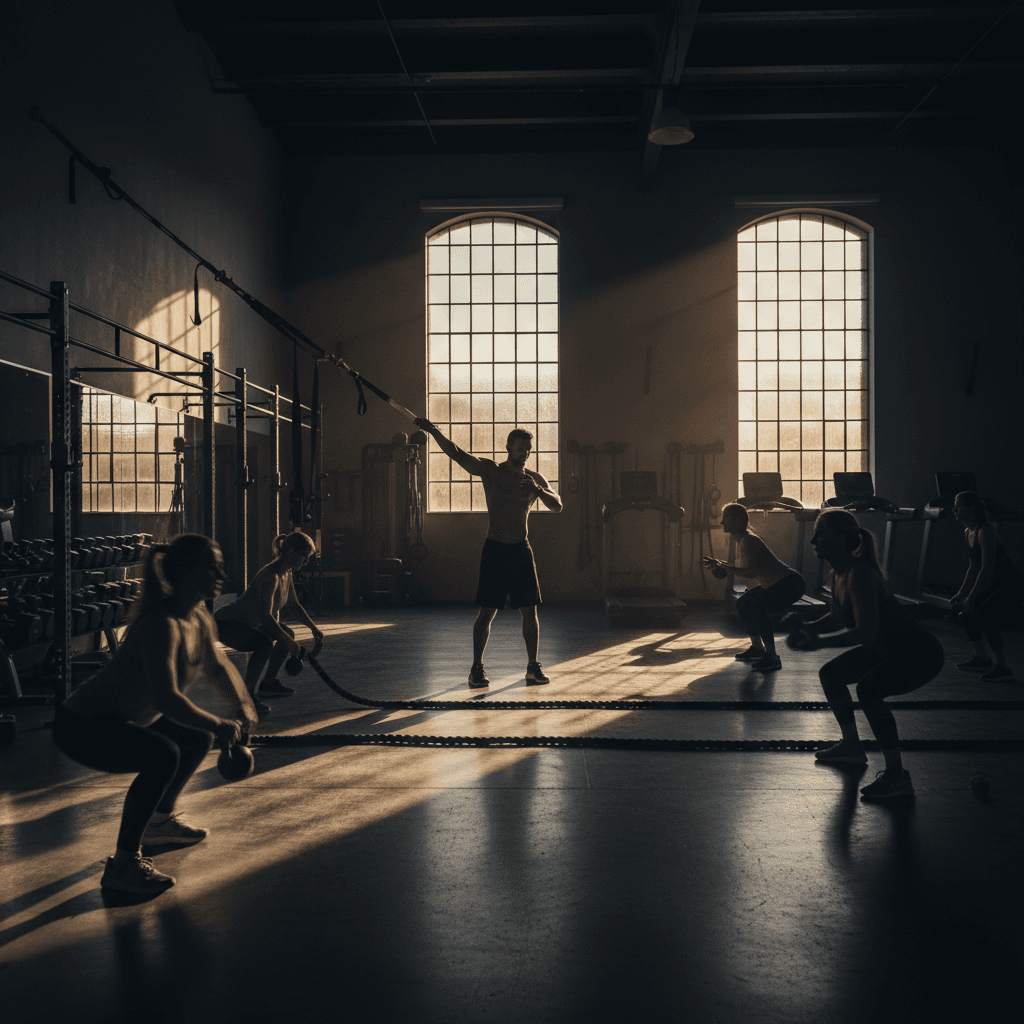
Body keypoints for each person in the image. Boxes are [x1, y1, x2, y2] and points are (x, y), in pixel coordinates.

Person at [52, 534, 258, 895]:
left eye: (220, 567)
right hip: (80, 727)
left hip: (121, 721)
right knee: (164, 754)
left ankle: (158, 824)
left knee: (196, 736)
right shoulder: (160, 623)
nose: (221, 574)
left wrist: (242, 707)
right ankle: (122, 864)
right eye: (212, 567)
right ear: (184, 571)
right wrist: (221, 723)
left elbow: (217, 666)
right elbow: (167, 699)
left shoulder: (198, 617)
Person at [789, 509, 944, 799]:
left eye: (820, 533)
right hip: (887, 649)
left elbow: (864, 633)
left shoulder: (861, 573)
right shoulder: (839, 572)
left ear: (838, 538)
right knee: (831, 675)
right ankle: (852, 747)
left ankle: (897, 776)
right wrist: (810, 628)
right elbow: (837, 616)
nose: (813, 540)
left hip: (919, 653)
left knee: (869, 690)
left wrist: (818, 644)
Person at [415, 419, 562, 688]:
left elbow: (557, 506)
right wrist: (434, 431)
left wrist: (537, 490)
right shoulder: (492, 471)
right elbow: (457, 454)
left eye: (528, 450)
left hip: (521, 550)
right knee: (487, 613)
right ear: (508, 447)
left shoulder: (534, 480)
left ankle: (532, 667)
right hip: (495, 549)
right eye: (520, 449)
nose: (524, 454)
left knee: (530, 612)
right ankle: (476, 669)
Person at [214, 531, 325, 713]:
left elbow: (294, 606)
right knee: (264, 643)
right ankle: (246, 698)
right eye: (304, 557)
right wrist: (289, 644)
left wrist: (314, 628)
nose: (306, 562)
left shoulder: (286, 574)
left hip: (250, 623)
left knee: (287, 634)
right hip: (226, 623)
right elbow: (265, 616)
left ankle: (269, 684)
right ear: (291, 553)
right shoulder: (270, 575)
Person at [703, 502, 805, 671]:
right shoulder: (742, 540)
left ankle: (772, 657)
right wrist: (720, 565)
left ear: (737, 520)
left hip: (790, 584)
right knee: (743, 603)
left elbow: (750, 573)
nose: (722, 523)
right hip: (775, 583)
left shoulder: (749, 540)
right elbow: (747, 569)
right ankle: (758, 648)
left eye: (725, 518)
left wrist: (724, 567)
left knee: (757, 607)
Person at [950, 491, 1020, 682]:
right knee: (964, 611)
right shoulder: (968, 532)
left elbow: (986, 568)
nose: (955, 509)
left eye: (959, 505)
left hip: (1010, 582)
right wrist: (961, 594)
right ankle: (982, 657)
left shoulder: (985, 531)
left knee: (984, 613)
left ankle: (1003, 666)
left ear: (972, 508)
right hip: (994, 581)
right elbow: (973, 566)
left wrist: (972, 598)